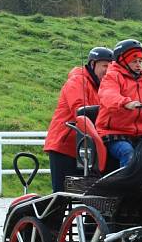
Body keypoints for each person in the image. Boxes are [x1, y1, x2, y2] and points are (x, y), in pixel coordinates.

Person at [44, 47, 113, 192]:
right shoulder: (77, 81)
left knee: (91, 193)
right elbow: (80, 110)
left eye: (111, 66)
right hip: (64, 146)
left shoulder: (102, 87)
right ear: (93, 64)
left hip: (87, 149)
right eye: (105, 66)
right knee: (61, 194)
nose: (108, 70)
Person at [96, 39, 142, 168]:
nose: (138, 65)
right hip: (114, 133)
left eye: (140, 61)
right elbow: (108, 95)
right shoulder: (112, 76)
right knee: (127, 152)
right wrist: (126, 103)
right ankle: (126, 186)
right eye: (134, 61)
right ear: (123, 61)